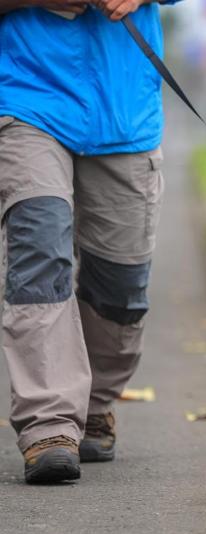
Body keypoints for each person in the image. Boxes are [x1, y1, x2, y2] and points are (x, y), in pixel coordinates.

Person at [0, 0, 181, 483]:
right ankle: (49, 424)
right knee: (39, 255)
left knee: (120, 282)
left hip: (125, 113)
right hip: (26, 100)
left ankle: (95, 404)